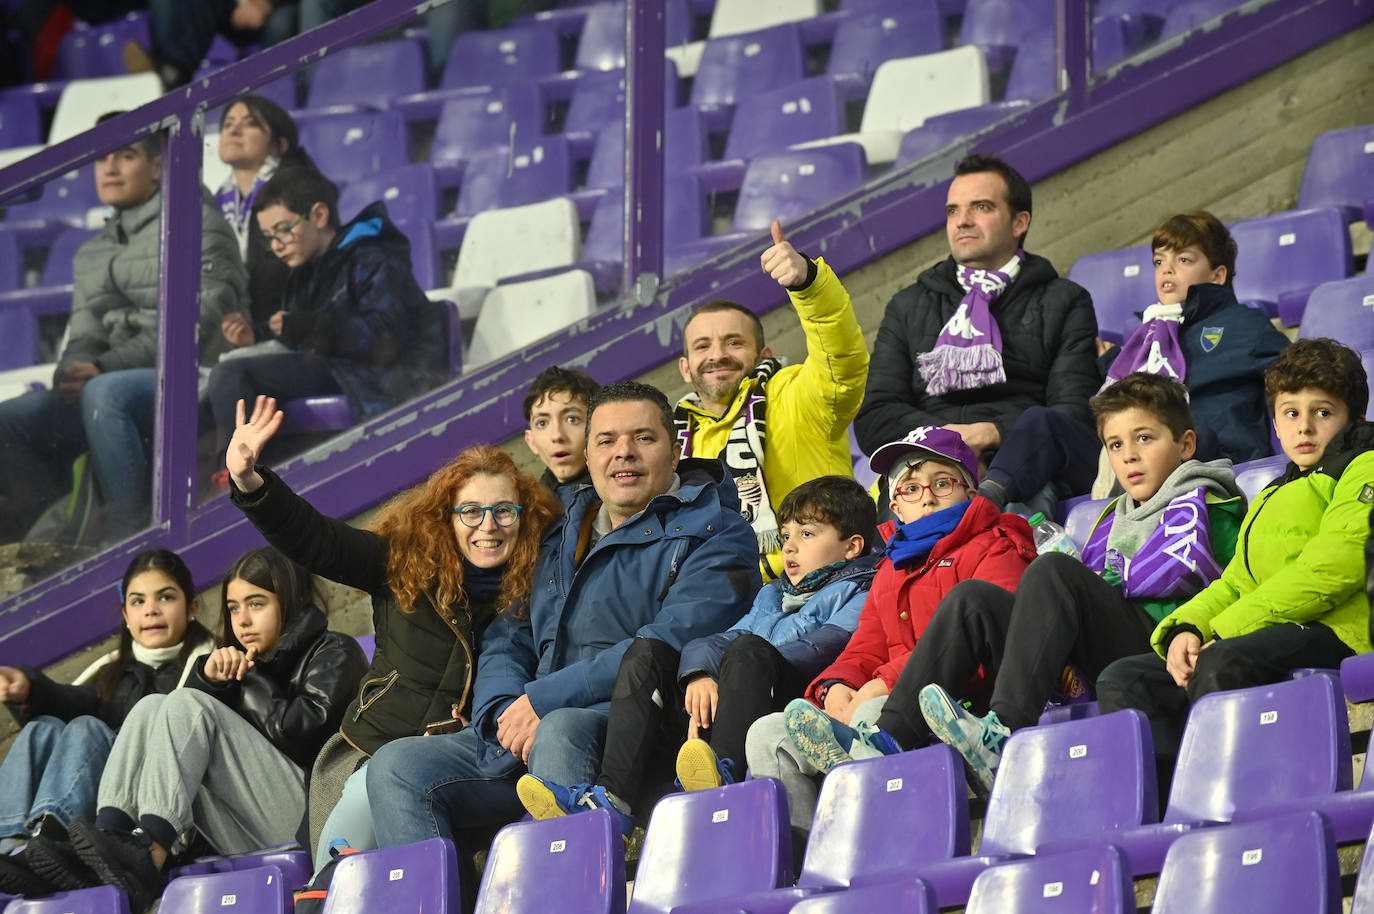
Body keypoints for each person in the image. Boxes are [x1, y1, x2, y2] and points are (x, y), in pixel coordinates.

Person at [365, 381, 759, 906]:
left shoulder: (719, 532)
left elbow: (665, 642)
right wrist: (503, 707)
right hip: (530, 723)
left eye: (643, 437)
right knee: (397, 766)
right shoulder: (562, 528)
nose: (623, 452)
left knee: (562, 728)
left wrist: (544, 701)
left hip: (634, 730)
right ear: (589, 454)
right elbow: (510, 630)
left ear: (676, 448)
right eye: (606, 440)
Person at [791, 373, 1245, 795]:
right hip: (1101, 648)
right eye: (1114, 444)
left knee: (1051, 571)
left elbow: (1229, 589)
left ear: (1186, 445)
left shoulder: (1211, 503)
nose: (1128, 455)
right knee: (971, 600)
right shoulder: (1114, 515)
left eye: (1143, 439)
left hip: (1163, 646)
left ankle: (1002, 733)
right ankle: (889, 741)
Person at [225, 395, 560, 868]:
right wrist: (251, 483)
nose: (488, 525)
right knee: (365, 803)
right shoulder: (402, 562)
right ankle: (324, 896)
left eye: (504, 510)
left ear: (525, 517)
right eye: (471, 512)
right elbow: (316, 539)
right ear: (446, 517)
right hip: (371, 748)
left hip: (469, 761)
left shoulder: (539, 588)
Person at [515, 475, 881, 834]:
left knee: (748, 648)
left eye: (806, 534)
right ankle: (612, 798)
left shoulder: (864, 591)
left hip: (795, 698)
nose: (789, 547)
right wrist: (699, 672)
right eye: (785, 535)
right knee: (648, 651)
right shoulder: (772, 594)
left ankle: (723, 773)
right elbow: (714, 641)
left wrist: (743, 657)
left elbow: (820, 650)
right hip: (738, 692)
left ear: (851, 547)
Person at [1097, 338, 1374, 795]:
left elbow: (1332, 570)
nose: (1304, 427)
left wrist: (1223, 630)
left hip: (1339, 631)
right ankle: (1169, 811)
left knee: (1223, 659)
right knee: (1125, 679)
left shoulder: (1363, 468)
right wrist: (1186, 627)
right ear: (1276, 425)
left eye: (1322, 412)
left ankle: (1221, 801)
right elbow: (1237, 582)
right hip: (1273, 630)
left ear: (1353, 418)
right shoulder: (1269, 494)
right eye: (1290, 413)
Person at [745, 426, 1035, 841]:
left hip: (964, 703)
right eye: (911, 488)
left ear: (971, 493)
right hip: (886, 697)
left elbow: (1000, 635)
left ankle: (872, 849)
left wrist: (881, 684)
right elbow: (866, 644)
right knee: (767, 734)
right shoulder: (891, 566)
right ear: (896, 506)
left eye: (943, 482)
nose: (929, 496)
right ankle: (806, 864)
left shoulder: (995, 544)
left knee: (870, 713)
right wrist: (836, 686)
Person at [45, 547, 367, 911]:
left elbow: (304, 737)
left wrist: (247, 680)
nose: (241, 620)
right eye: (233, 608)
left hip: (310, 820)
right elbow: (186, 747)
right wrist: (212, 682)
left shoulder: (336, 651)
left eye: (256, 604)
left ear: (294, 600)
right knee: (151, 706)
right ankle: (108, 839)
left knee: (185, 704)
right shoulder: (244, 663)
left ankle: (150, 853)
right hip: (241, 824)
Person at [0, 115, 246, 543]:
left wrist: (102, 368)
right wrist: (72, 372)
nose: (109, 168)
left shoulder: (198, 223)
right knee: (10, 419)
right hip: (110, 374)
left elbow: (195, 323)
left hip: (196, 378)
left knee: (103, 394)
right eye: (102, 158)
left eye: (126, 155)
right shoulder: (92, 250)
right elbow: (84, 332)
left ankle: (127, 536)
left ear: (156, 166)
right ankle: (44, 541)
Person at [854, 154, 1099, 519]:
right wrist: (947, 444)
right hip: (928, 461)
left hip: (1022, 460)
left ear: (1020, 222)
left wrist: (991, 432)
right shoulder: (908, 305)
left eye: (981, 207)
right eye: (953, 211)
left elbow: (1071, 413)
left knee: (1018, 506)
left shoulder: (1064, 300)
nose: (962, 221)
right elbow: (875, 415)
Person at [0, 550, 214, 897]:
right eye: (138, 601)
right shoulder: (111, 670)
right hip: (95, 799)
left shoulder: (208, 667)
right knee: (42, 727)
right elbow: (68, 701)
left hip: (148, 809)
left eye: (166, 597)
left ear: (192, 608)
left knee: (86, 728)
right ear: (127, 616)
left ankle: (50, 840)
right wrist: (28, 688)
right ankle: (11, 844)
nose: (151, 610)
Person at [204, 166, 446, 467]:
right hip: (337, 366)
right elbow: (310, 329)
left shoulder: (373, 257)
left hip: (381, 374)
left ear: (319, 216)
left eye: (283, 229)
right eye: (268, 237)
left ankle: (234, 475)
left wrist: (304, 327)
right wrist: (259, 335)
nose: (276, 245)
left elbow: (386, 339)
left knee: (232, 374)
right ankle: (232, 477)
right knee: (206, 396)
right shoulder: (306, 271)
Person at [674, 220, 868, 578]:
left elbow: (842, 360)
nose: (718, 355)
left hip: (818, 584)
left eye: (734, 342)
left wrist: (810, 285)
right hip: (711, 596)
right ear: (685, 368)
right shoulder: (672, 439)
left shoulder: (797, 396)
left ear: (764, 354)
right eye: (703, 346)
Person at [1094, 211, 1288, 480]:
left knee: (1195, 434)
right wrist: (1111, 364)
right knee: (1045, 424)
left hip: (1217, 455)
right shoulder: (1144, 341)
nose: (1167, 269)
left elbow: (1298, 373)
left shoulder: (1245, 325)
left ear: (1217, 275)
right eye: (1159, 261)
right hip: (1147, 457)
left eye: (1183, 259)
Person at [213, 95, 319, 333]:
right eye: (227, 124)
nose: (233, 131)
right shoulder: (216, 199)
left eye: (250, 123)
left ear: (279, 145)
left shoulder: (298, 191)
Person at [522, 365, 600, 502]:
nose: (557, 436)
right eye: (542, 423)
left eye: (572, 419)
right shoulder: (530, 512)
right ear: (531, 441)